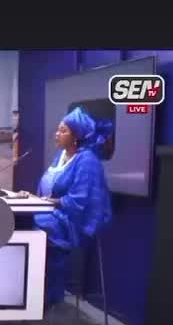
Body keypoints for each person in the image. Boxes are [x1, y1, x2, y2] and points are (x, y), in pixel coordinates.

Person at [19, 107, 113, 308]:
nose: (57, 134)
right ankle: (27, 288)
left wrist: (51, 202)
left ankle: (46, 295)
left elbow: (78, 201)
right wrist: (34, 198)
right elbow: (50, 189)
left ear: (76, 136)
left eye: (63, 131)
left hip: (74, 220)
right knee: (22, 219)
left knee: (38, 226)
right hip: (53, 211)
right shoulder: (61, 156)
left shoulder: (87, 161)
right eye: (58, 130)